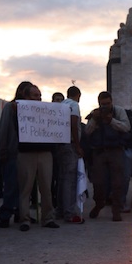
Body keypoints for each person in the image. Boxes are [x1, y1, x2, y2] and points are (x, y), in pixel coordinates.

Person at [16, 85, 60, 231]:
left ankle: (48, 218)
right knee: (26, 188)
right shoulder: (18, 110)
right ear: (26, 97)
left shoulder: (46, 112)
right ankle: (25, 219)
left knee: (47, 187)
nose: (38, 99)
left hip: (45, 153)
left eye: (39, 96)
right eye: (35, 95)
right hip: (26, 153)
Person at [85, 91, 130, 221]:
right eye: (103, 104)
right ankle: (99, 203)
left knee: (118, 182)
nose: (105, 106)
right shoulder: (95, 114)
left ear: (112, 102)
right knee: (98, 182)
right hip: (99, 151)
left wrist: (111, 121)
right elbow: (87, 131)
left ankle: (116, 209)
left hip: (116, 150)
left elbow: (126, 127)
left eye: (108, 103)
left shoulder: (119, 112)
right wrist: (94, 119)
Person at [0, 81, 32, 228]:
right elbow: (3, 129)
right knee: (11, 186)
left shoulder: (31, 109)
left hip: (26, 152)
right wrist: (3, 150)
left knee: (24, 187)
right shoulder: (10, 108)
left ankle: (20, 213)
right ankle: (5, 215)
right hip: (13, 152)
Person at [56, 86, 84, 223]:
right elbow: (73, 123)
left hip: (60, 144)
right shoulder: (74, 105)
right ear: (78, 95)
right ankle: (69, 212)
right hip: (70, 144)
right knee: (70, 180)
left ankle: (60, 209)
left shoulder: (61, 105)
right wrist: (78, 145)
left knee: (62, 179)